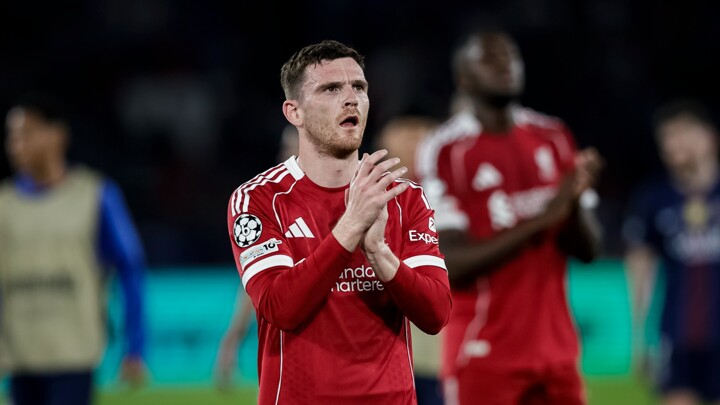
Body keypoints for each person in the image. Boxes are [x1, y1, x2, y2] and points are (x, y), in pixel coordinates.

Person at [226, 40, 452, 404]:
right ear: (294, 112)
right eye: (331, 89)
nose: (351, 99)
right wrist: (351, 226)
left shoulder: (404, 197)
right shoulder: (259, 199)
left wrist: (378, 252)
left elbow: (436, 314)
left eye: (359, 87)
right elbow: (280, 309)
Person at [416, 29, 604, 404]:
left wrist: (573, 205)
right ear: (463, 77)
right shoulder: (446, 150)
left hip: (557, 352)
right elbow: (450, 264)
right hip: (483, 352)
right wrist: (543, 218)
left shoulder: (552, 136)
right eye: (489, 58)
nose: (505, 65)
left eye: (510, 56)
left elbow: (588, 251)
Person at [0, 93, 147, 405]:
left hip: (73, 354)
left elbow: (130, 267)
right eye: (11, 136)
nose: (15, 145)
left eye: (26, 134)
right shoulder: (5, 203)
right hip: (18, 357)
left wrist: (135, 347)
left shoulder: (94, 195)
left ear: (57, 135)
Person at [623, 100, 720, 405]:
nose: (673, 143)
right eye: (666, 137)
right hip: (676, 335)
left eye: (682, 133)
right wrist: (639, 337)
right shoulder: (653, 199)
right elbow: (640, 266)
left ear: (709, 138)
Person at [215, 125, 299, 389]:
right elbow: (257, 288)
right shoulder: (268, 201)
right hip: (291, 343)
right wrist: (233, 338)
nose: (285, 155)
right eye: (285, 148)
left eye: (291, 147)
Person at [375, 115, 445, 405]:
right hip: (384, 354)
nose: (413, 140)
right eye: (405, 131)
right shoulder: (367, 198)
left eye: (421, 130)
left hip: (440, 354)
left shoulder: (451, 195)